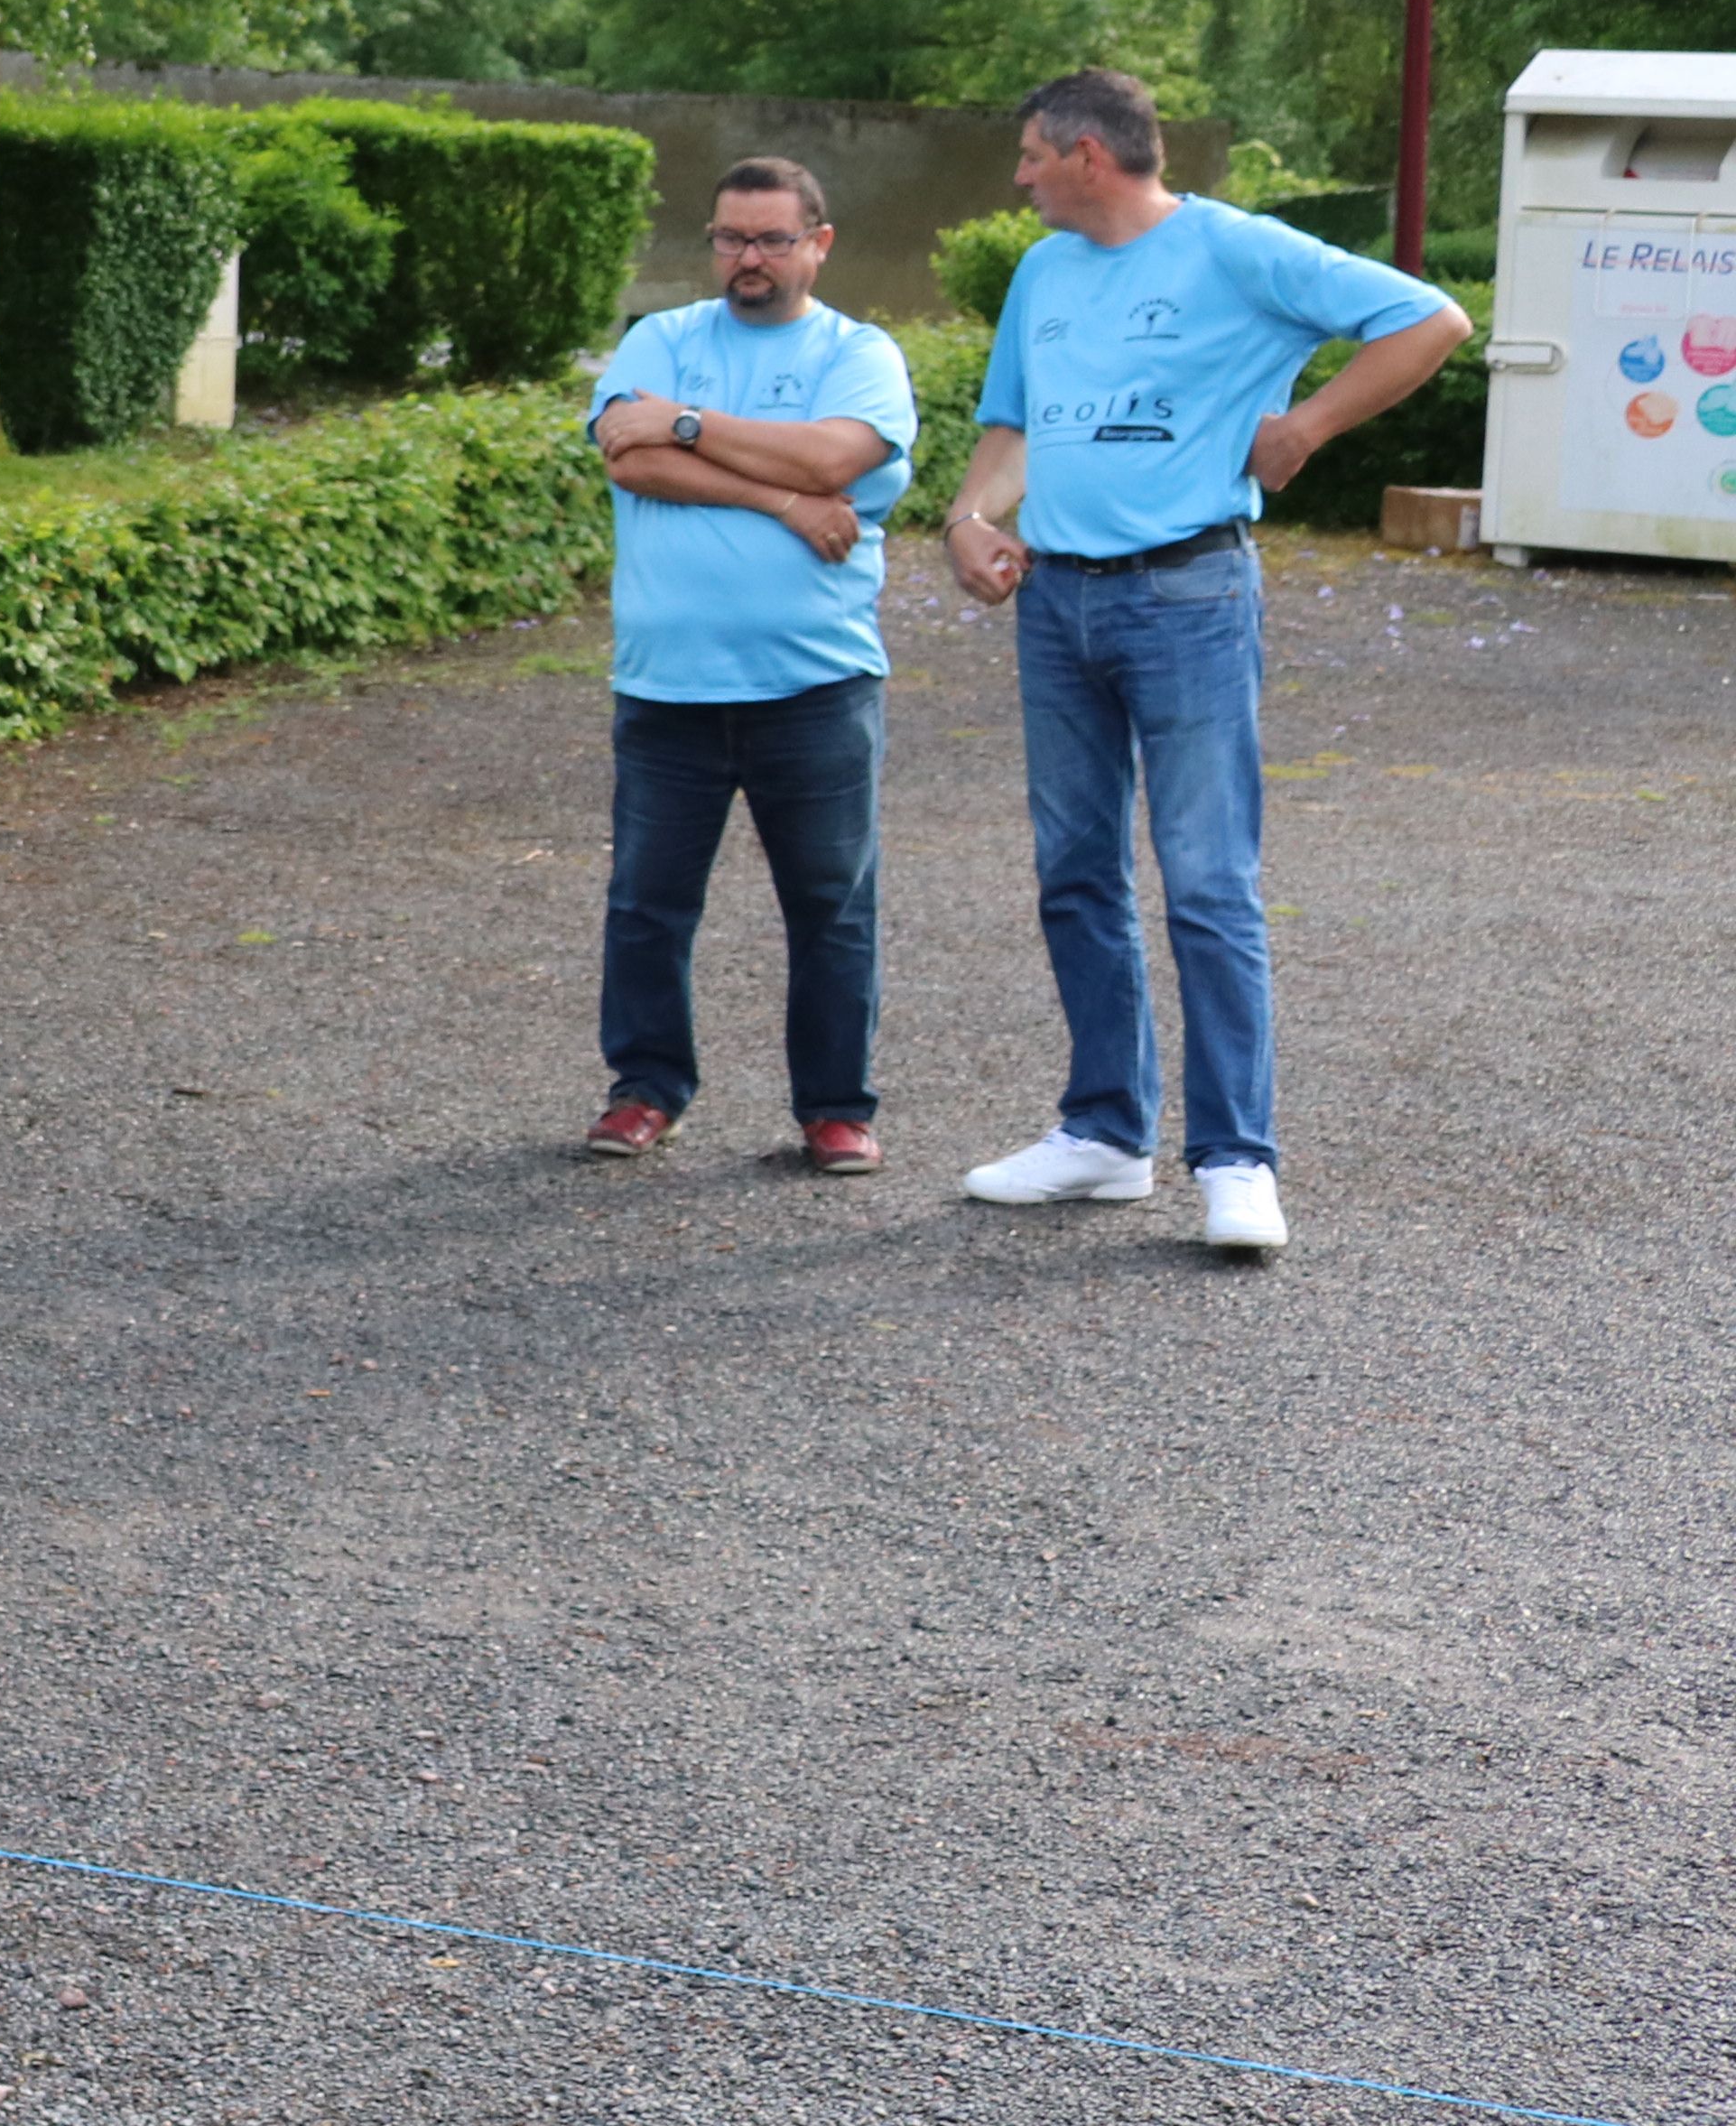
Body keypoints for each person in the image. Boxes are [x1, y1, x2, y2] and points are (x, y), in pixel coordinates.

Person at [941, 69, 1471, 1257]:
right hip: (1057, 604)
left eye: (1030, 155)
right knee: (1075, 872)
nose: (1018, 175)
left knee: (1208, 884)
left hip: (1189, 594)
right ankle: (1106, 1136)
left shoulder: (1235, 250)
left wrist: (1305, 428)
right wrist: (973, 517)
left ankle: (1237, 1160)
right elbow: (1014, 427)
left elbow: (1433, 320)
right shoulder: (1044, 274)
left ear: (1089, 153)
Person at [575, 159, 921, 1173]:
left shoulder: (860, 353)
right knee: (647, 902)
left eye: (771, 239)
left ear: (820, 242)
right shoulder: (661, 336)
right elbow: (626, 458)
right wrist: (775, 494)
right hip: (667, 682)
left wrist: (687, 425)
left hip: (814, 684)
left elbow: (833, 460)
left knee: (830, 904)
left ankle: (834, 1108)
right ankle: (646, 1088)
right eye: (731, 238)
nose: (748, 260)